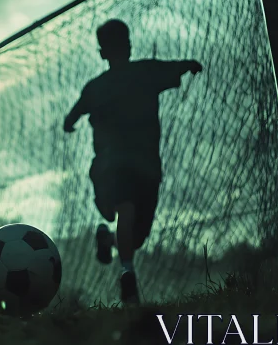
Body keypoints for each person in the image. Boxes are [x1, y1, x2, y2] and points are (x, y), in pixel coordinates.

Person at [63, 19, 202, 304]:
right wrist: (189, 64)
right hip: (115, 165)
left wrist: (70, 122)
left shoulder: (127, 78)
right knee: (125, 209)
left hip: (143, 167)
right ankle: (127, 273)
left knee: (135, 237)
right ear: (127, 46)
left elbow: (73, 114)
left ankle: (109, 242)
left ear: (102, 53)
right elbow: (175, 66)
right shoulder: (138, 74)